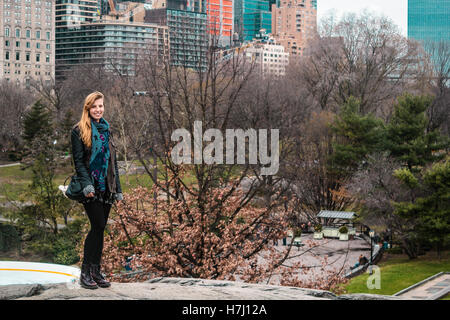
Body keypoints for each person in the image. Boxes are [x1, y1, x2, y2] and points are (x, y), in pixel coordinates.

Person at [71, 91, 123, 289]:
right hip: (90, 187)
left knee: (100, 229)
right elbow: (78, 162)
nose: (98, 110)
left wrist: (117, 188)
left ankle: (95, 271)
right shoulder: (78, 131)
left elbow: (112, 161)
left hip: (106, 186)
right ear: (88, 108)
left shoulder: (107, 129)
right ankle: (85, 272)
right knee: (97, 225)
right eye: (94, 106)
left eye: (100, 106)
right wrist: (87, 185)